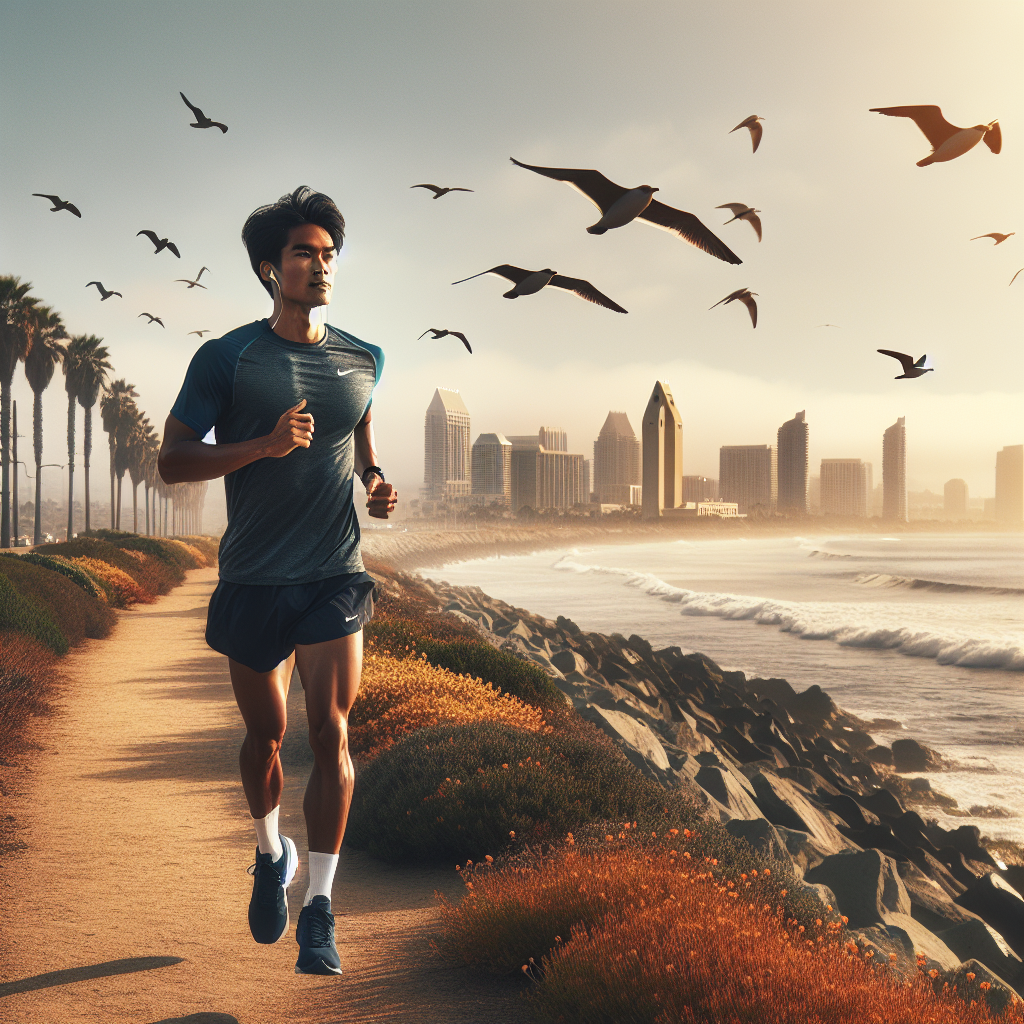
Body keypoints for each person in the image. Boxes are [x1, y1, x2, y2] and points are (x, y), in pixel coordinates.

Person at [158, 185, 397, 976]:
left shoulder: (366, 357)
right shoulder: (227, 357)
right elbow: (174, 460)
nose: (320, 266)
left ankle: (319, 910)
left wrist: (375, 480)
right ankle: (270, 853)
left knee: (330, 733)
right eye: (304, 253)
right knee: (265, 738)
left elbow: (360, 433)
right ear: (271, 268)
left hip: (335, 572)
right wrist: (260, 445)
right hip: (255, 576)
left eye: (328, 254)